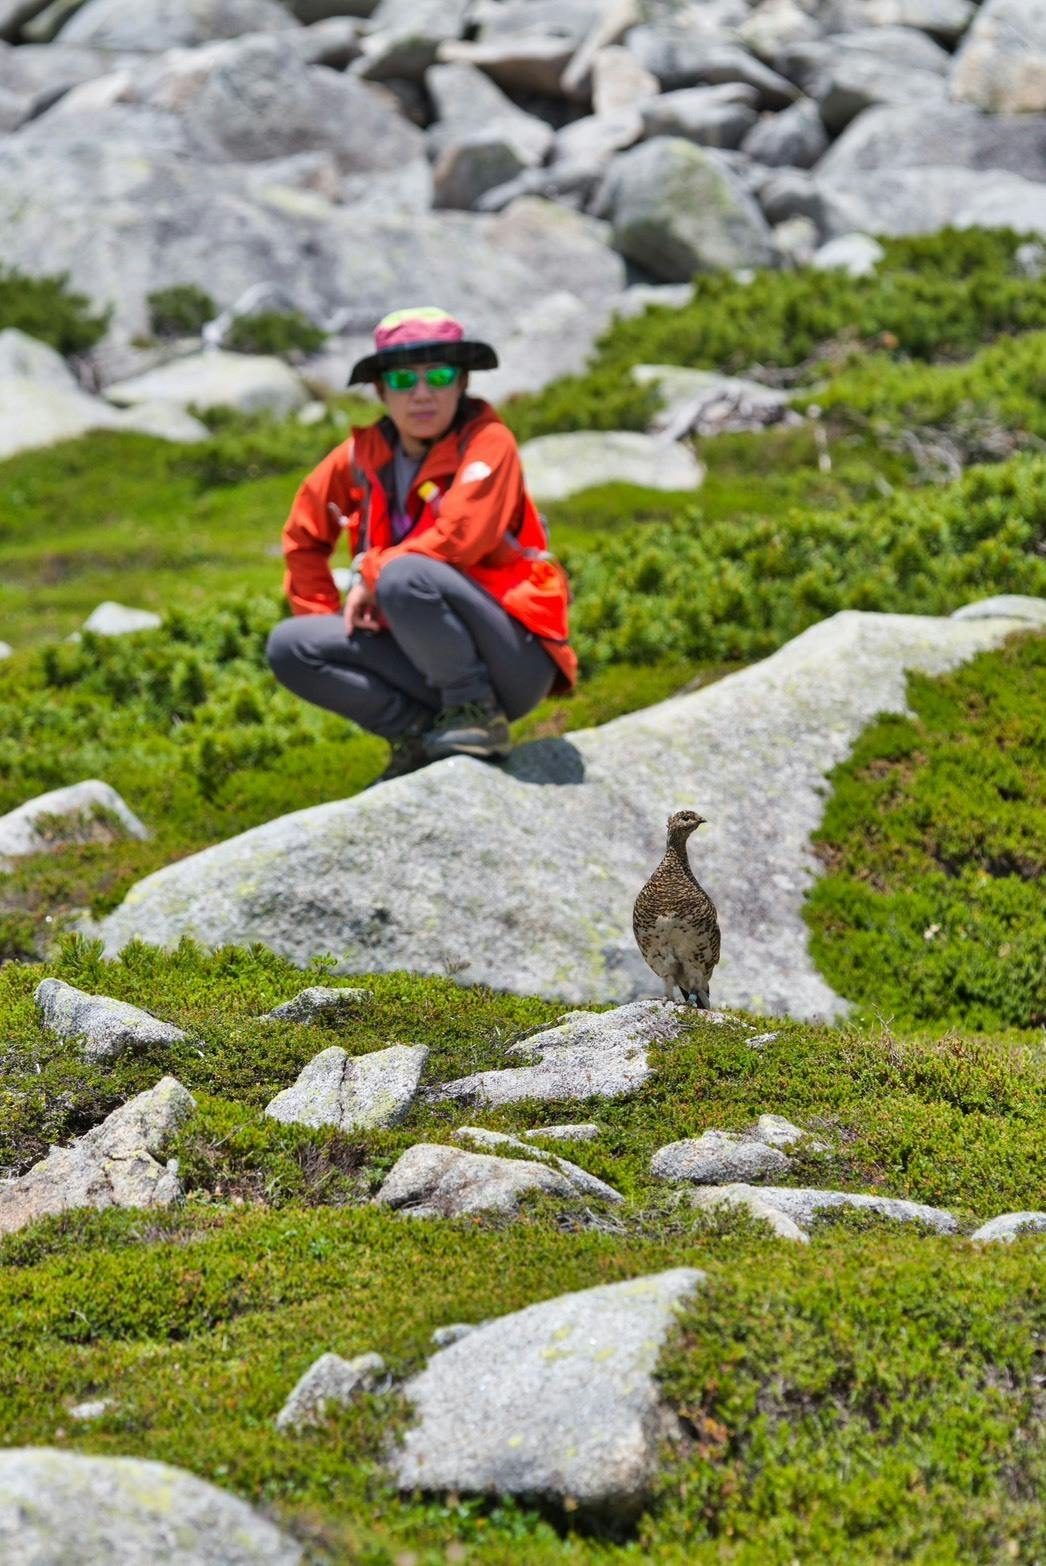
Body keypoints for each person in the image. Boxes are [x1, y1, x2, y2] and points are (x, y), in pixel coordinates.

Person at [267, 306, 577, 783]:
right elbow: (303, 538)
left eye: (439, 376)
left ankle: (477, 714)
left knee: (403, 574)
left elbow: (461, 538)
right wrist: (332, 619)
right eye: (403, 380)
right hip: (419, 656)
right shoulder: (358, 458)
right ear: (381, 390)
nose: (422, 393)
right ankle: (416, 735)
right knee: (292, 646)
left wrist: (370, 574)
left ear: (462, 383)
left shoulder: (488, 442)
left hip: (513, 659)